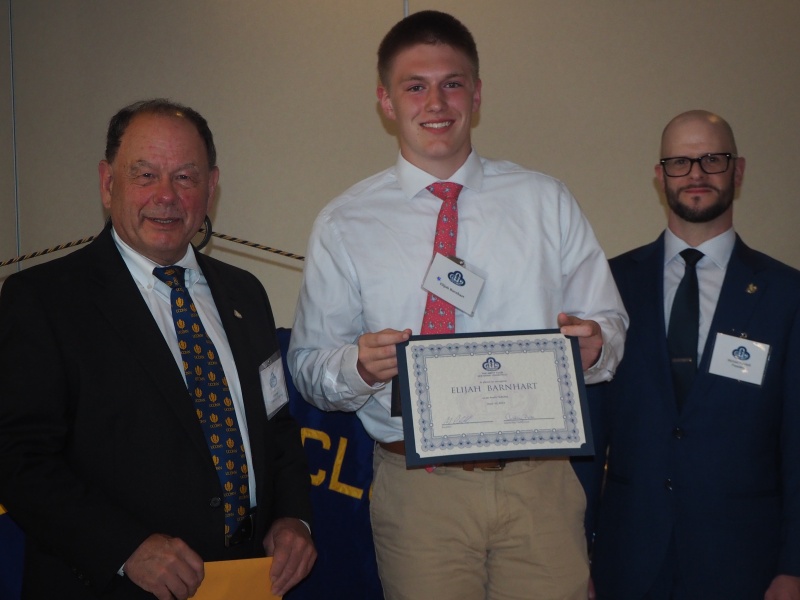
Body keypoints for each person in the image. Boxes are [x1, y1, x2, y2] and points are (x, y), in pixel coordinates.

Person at [288, 11, 627, 600]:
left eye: (452, 83)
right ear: (385, 101)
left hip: (540, 484)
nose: (435, 102)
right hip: (419, 490)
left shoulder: (545, 201)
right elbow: (308, 365)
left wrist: (595, 346)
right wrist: (358, 367)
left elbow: (610, 326)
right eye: (414, 86)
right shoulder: (344, 223)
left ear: (477, 93)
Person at [0, 99, 316, 599]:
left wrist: (292, 516)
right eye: (145, 174)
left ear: (211, 187)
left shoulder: (245, 294)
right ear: (108, 183)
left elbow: (276, 425)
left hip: (246, 581)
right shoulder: (43, 299)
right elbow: (19, 460)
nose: (166, 196)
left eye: (185, 177)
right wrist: (125, 548)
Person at [590, 110, 800, 599]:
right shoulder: (609, 285)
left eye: (713, 159)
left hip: (745, 562)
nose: (696, 173)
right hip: (627, 557)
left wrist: (794, 565)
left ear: (738, 171)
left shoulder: (786, 295)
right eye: (680, 162)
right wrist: (576, 553)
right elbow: (590, 437)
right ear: (660, 175)